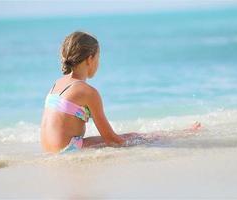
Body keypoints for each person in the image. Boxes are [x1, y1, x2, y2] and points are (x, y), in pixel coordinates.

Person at [40, 31, 201, 153]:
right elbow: (111, 139)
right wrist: (144, 144)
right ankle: (178, 136)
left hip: (48, 149)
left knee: (132, 137)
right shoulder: (87, 92)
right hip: (67, 150)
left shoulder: (57, 84)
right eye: (98, 57)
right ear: (90, 58)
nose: (98, 62)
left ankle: (173, 135)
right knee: (135, 138)